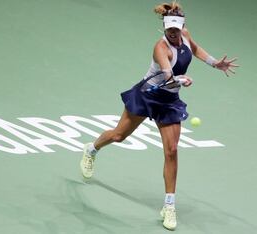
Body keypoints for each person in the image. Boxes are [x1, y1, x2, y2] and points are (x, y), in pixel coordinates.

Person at [79, 1, 239, 231]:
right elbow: (167, 74)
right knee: (118, 136)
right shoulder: (160, 48)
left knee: (172, 151)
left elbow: (194, 48)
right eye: (169, 29)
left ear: (182, 26)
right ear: (164, 28)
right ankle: (91, 149)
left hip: (169, 102)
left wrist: (215, 64)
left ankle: (169, 206)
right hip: (148, 96)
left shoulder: (185, 34)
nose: (173, 33)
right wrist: (180, 79)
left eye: (176, 29)